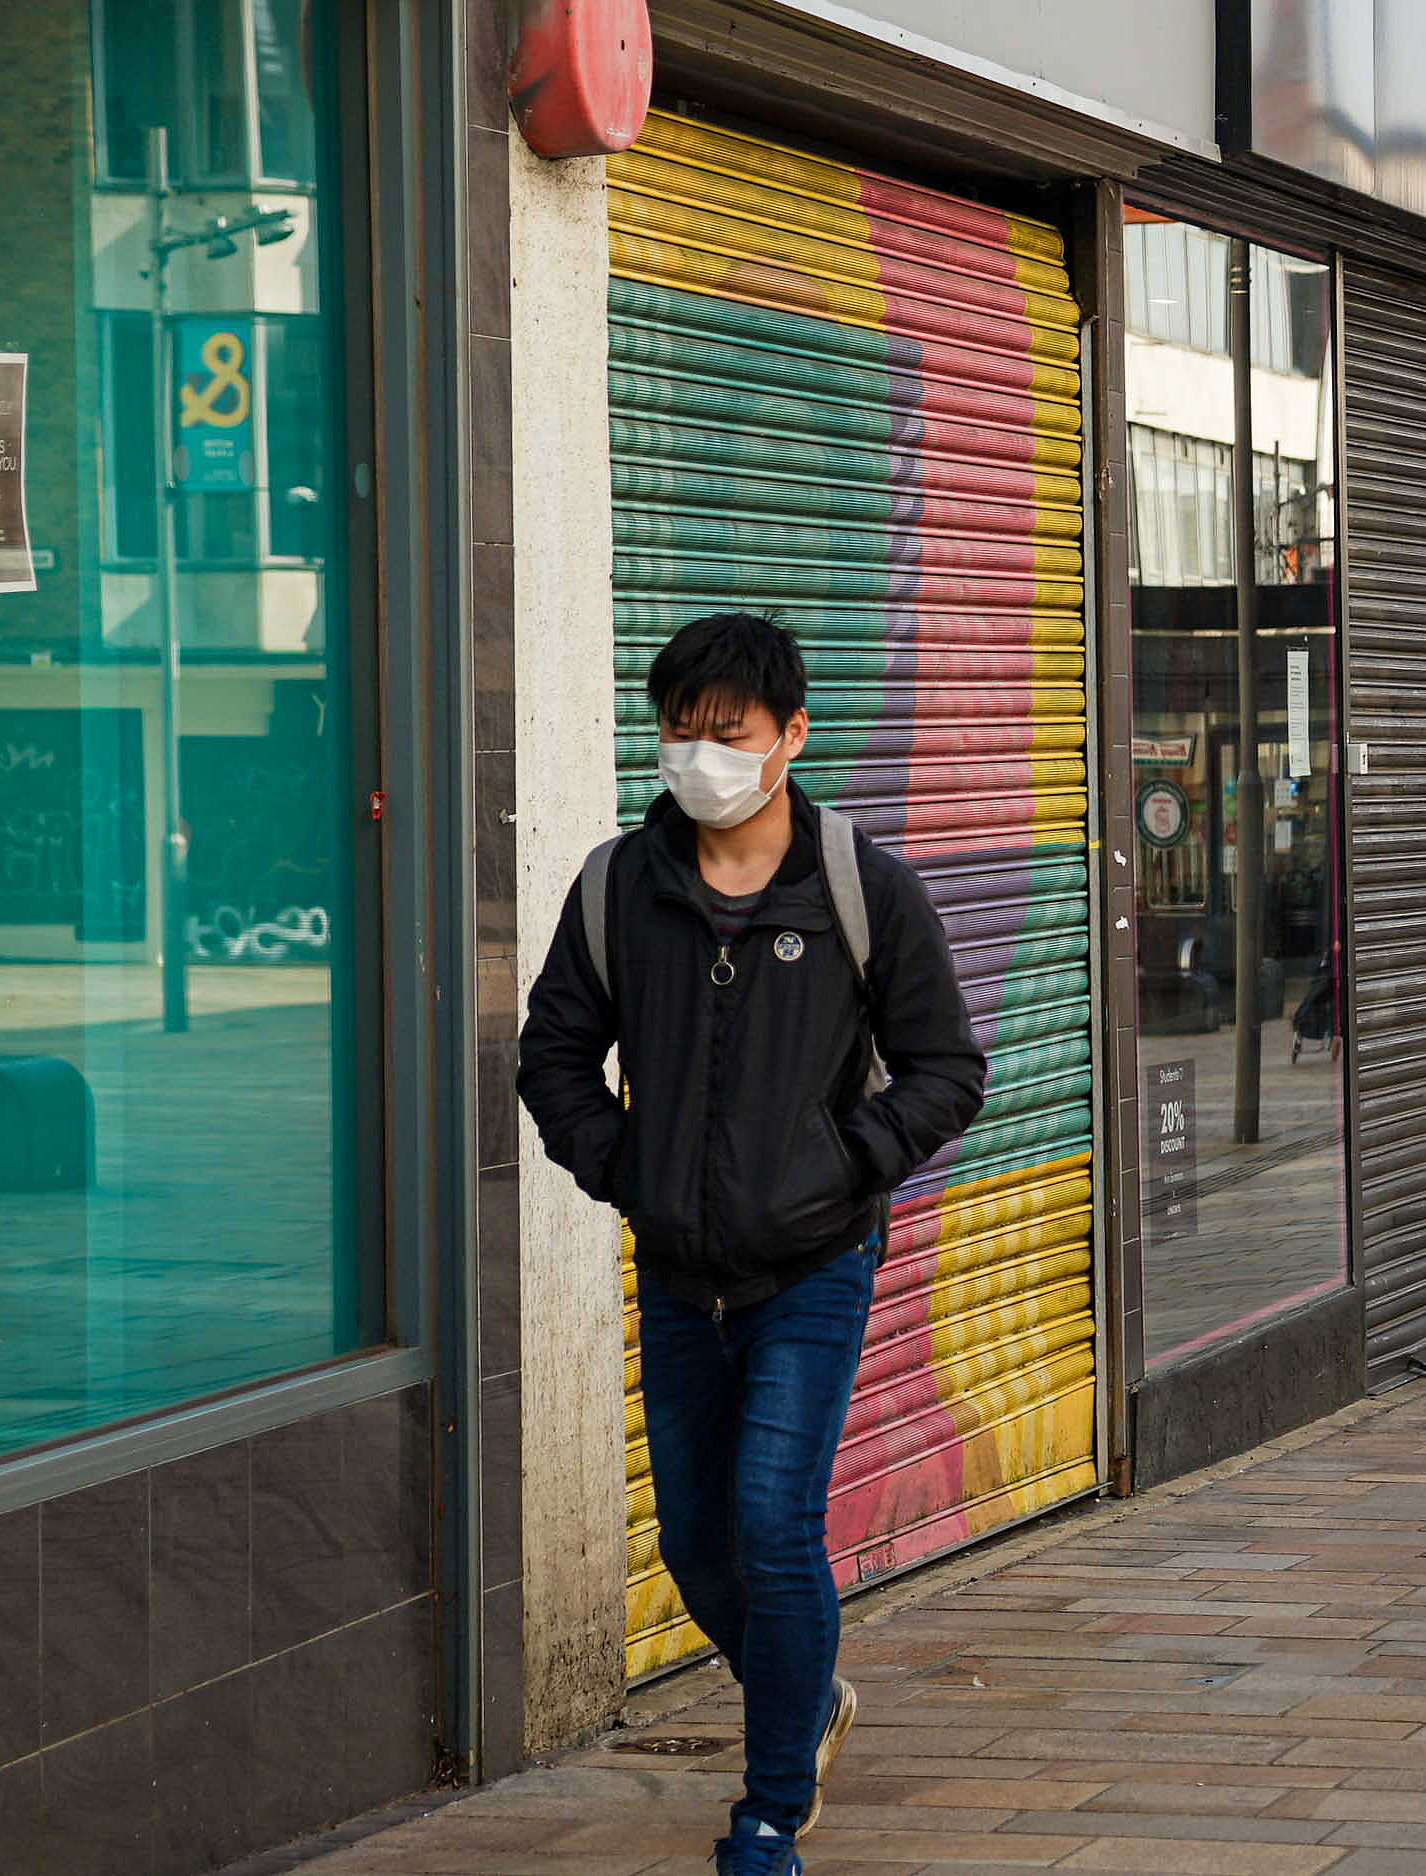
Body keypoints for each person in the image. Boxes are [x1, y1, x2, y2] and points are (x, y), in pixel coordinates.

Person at [517, 611, 988, 1876]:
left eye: (726, 735)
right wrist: (625, 1168)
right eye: (679, 733)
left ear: (791, 737)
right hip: (678, 1275)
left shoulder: (858, 890)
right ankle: (813, 1692)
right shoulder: (621, 886)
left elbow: (947, 1069)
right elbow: (553, 1052)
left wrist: (844, 1165)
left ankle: (773, 1804)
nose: (699, 757)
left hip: (813, 1271)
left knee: (775, 1520)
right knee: (692, 1544)